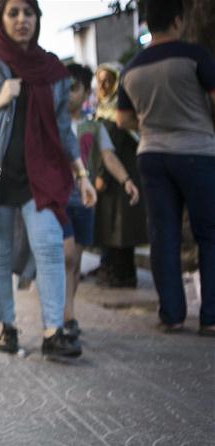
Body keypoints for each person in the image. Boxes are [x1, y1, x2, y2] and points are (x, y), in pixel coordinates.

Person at [0, 0, 95, 358]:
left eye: (29, 12)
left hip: (40, 178)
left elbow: (63, 130)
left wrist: (81, 175)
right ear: (1, 19)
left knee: (51, 245)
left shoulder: (51, 70)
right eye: (14, 13)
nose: (22, 20)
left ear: (37, 19)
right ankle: (7, 326)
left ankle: (53, 331)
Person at [117, 0, 215, 337]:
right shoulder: (195, 55)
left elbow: (122, 118)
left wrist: (150, 121)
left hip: (152, 155)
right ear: (177, 20)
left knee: (163, 235)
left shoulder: (131, 69)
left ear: (147, 24)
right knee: (209, 234)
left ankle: (172, 314)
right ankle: (211, 316)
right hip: (197, 151)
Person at [63, 63, 140, 339]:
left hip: (84, 201)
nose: (67, 94)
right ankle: (62, 314)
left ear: (85, 92)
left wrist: (126, 180)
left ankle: (68, 312)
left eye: (74, 88)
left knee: (75, 260)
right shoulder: (51, 124)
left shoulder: (93, 126)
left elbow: (109, 156)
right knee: (67, 256)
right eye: (63, 87)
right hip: (56, 202)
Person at [92, 63, 148, 288]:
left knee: (117, 228)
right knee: (117, 227)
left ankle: (118, 273)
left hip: (119, 177)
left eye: (108, 81)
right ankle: (116, 270)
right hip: (120, 176)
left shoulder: (119, 112)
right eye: (100, 81)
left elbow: (110, 146)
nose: (104, 86)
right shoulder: (103, 108)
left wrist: (103, 175)